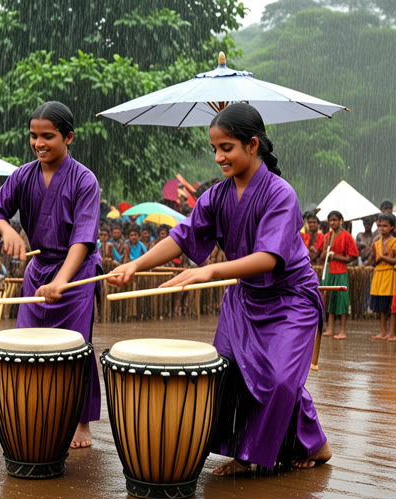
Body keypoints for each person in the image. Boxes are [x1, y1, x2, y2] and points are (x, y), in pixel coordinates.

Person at [108, 103, 331, 475]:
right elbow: (182, 237)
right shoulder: (215, 196)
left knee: (278, 379)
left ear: (253, 145)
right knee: (231, 374)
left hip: (291, 298)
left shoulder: (281, 194)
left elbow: (269, 258)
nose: (218, 157)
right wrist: (135, 263)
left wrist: (209, 270)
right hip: (245, 299)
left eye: (226, 147)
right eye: (214, 148)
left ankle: (256, 454)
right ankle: (307, 445)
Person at [0, 101, 101, 449]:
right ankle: (37, 407)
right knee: (28, 345)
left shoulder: (85, 180)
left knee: (75, 347)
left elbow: (83, 238)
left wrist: (63, 280)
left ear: (68, 137)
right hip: (39, 272)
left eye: (48, 136)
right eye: (34, 136)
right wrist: (7, 231)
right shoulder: (23, 175)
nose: (39, 143)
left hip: (76, 273)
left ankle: (81, 422)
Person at [320, 210, 359, 340]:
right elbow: (322, 257)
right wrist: (326, 251)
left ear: (341, 221)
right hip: (330, 270)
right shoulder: (327, 236)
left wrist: (335, 256)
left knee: (342, 301)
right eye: (330, 220)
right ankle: (330, 329)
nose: (332, 222)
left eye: (335, 220)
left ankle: (342, 331)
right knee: (330, 300)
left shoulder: (346, 236)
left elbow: (352, 256)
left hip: (341, 271)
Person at [369, 213, 396, 339]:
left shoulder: (395, 242)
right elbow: (373, 262)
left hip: (390, 274)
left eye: (385, 226)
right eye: (380, 226)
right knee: (381, 306)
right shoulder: (376, 243)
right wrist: (373, 255)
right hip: (378, 274)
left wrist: (383, 257)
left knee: (391, 305)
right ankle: (383, 332)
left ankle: (391, 333)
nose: (382, 228)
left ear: (392, 227)